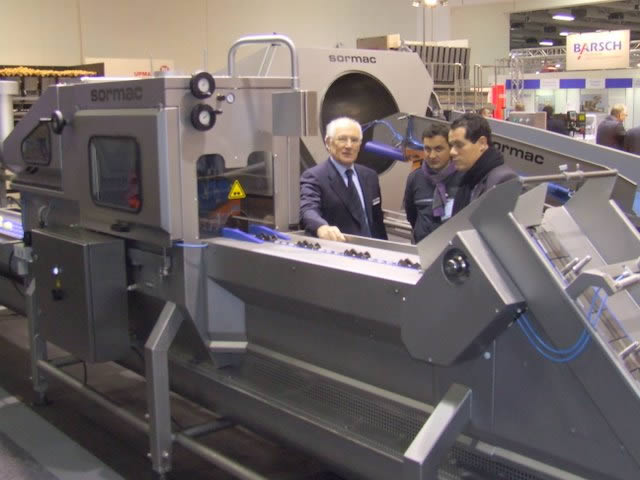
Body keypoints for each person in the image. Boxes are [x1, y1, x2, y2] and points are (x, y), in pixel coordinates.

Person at [300, 117, 387, 242]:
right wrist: (321, 227)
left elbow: (377, 222)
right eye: (342, 139)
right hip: (341, 249)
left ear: (360, 144)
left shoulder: (370, 176)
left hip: (373, 251)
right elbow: (308, 210)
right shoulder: (314, 177)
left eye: (354, 140)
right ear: (328, 142)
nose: (349, 145)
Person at [403, 124, 463, 243]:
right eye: (427, 149)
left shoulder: (463, 178)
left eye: (438, 149)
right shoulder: (415, 179)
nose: (432, 155)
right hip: (422, 246)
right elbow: (411, 215)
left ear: (451, 148)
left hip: (452, 246)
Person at [449, 113, 519, 215]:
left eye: (459, 145)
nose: (452, 152)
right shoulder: (468, 179)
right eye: (451, 145)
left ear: (482, 143)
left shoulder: (503, 180)